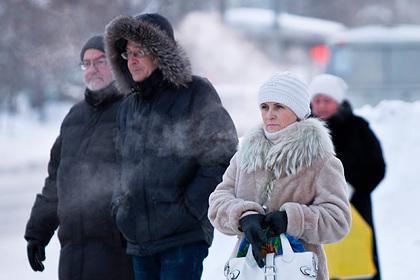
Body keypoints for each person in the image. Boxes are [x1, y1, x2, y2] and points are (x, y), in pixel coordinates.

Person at [104, 13, 238, 280]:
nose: (132, 60)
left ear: (160, 52)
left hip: (182, 239)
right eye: (127, 53)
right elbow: (120, 163)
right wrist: (120, 207)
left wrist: (189, 208)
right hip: (140, 242)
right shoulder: (128, 106)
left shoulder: (195, 92)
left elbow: (221, 156)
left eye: (139, 51)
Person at [208, 72, 351, 280]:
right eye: (264, 107)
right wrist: (244, 216)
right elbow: (218, 202)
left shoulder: (321, 161)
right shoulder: (244, 155)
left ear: (298, 111)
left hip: (299, 271)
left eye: (279, 107)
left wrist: (291, 219)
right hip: (251, 268)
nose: (269, 115)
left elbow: (338, 220)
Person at [24, 35, 134, 280]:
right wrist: (37, 233)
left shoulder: (131, 109)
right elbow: (55, 181)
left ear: (117, 64)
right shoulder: (74, 116)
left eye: (100, 61)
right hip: (73, 252)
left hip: (117, 251)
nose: (92, 69)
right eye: (86, 63)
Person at [309, 74, 386, 280]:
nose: (322, 105)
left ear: (338, 102)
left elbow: (377, 167)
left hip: (356, 208)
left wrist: (354, 187)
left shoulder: (358, 127)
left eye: (327, 100)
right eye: (317, 100)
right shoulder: (305, 131)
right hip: (315, 209)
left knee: (358, 265)